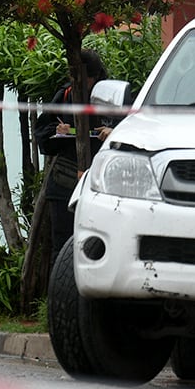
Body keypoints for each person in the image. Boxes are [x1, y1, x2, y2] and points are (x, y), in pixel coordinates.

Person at [34, 49, 113, 265]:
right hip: (64, 182)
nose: (78, 83)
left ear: (96, 77)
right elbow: (43, 133)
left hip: (100, 185)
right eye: (74, 77)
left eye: (84, 79)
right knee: (62, 246)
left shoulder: (109, 97)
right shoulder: (66, 94)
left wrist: (113, 132)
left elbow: (132, 128)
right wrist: (58, 131)